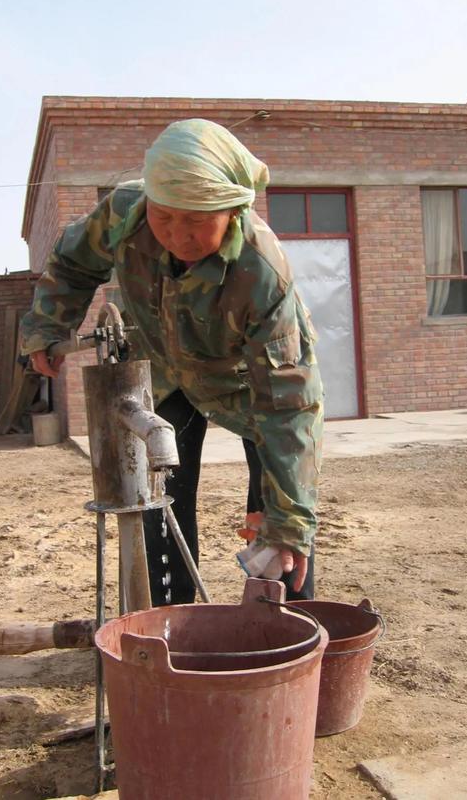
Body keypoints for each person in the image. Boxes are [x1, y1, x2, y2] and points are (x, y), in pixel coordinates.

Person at [20, 118, 323, 605]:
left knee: (280, 527)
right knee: (163, 501)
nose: (177, 235)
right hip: (164, 378)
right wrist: (47, 326)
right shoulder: (125, 213)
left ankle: (286, 631)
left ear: (231, 209)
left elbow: (289, 404)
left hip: (247, 386)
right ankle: (174, 620)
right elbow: (72, 263)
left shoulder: (261, 272)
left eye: (197, 220)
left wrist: (291, 519)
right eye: (165, 217)